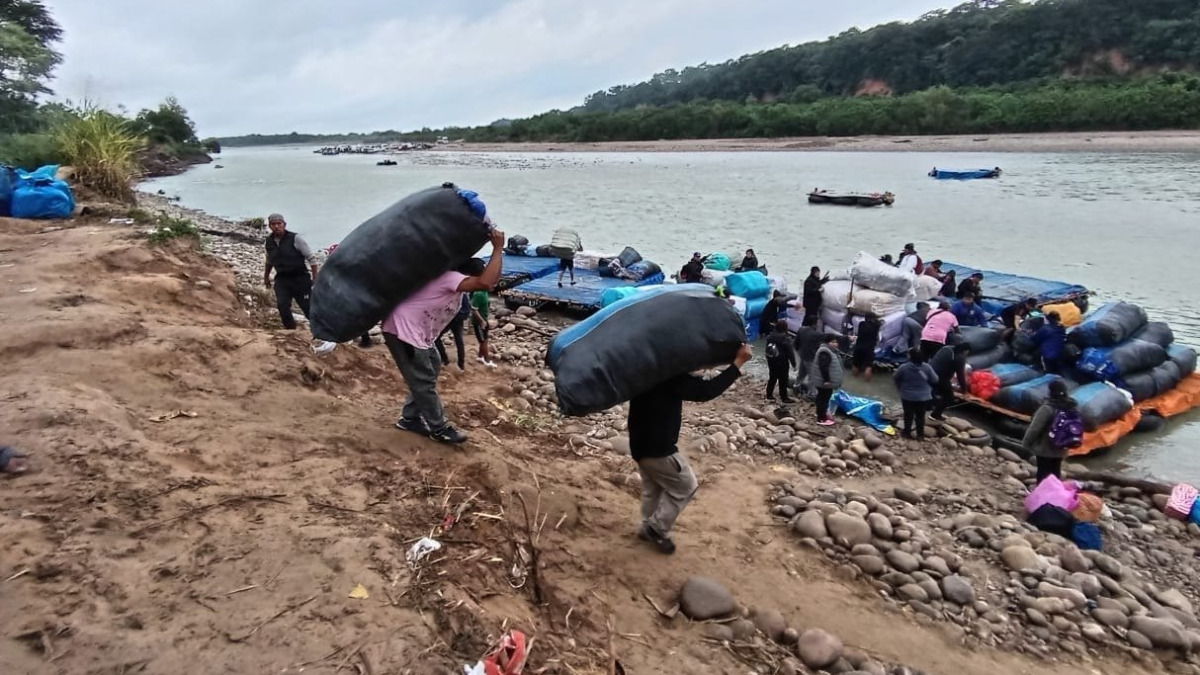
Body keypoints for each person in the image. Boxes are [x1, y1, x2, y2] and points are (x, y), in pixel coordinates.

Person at [384, 228, 505, 445]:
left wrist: (499, 256)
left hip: (419, 336)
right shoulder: (450, 279)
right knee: (423, 382)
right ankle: (439, 428)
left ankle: (409, 418)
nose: (491, 284)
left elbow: (491, 281)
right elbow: (485, 283)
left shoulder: (458, 292)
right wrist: (497, 248)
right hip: (402, 330)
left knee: (434, 365)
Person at [629, 343, 752, 554]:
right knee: (686, 486)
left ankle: (646, 527)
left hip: (640, 444)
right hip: (659, 449)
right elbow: (705, 391)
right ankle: (656, 529)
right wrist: (737, 363)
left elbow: (691, 384)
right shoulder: (670, 376)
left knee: (654, 490)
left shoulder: (648, 369)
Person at [263, 213, 320, 330]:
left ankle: (324, 332)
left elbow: (312, 259)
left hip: (300, 278)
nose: (277, 226)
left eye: (279, 223)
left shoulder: (295, 238)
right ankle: (290, 331)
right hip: (282, 279)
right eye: (273, 224)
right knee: (282, 306)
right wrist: (266, 277)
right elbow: (269, 261)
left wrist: (315, 278)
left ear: (284, 224)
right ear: (269, 226)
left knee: (308, 308)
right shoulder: (269, 241)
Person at [1023, 379, 1081, 482]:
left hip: (1045, 448)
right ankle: (1054, 493)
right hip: (1061, 447)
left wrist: (1026, 443)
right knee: (1055, 472)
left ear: (1050, 392)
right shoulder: (1072, 407)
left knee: (1043, 472)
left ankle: (1041, 494)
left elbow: (1035, 428)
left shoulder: (1047, 408)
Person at [893, 349, 938, 439]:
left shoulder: (903, 367)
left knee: (908, 415)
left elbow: (895, 377)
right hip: (924, 397)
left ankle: (907, 433)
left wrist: (900, 388)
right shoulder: (927, 367)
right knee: (920, 416)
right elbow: (935, 380)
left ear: (910, 357)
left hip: (907, 396)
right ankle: (920, 435)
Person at [930, 340, 970, 420]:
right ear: (966, 351)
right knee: (949, 397)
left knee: (932, 393)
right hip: (941, 377)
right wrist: (964, 391)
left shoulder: (946, 348)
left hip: (930, 371)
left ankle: (923, 409)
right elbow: (960, 376)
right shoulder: (959, 357)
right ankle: (935, 415)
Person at [810, 334, 844, 426]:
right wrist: (827, 380)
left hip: (822, 381)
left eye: (836, 342)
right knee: (824, 399)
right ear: (827, 342)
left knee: (822, 397)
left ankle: (820, 413)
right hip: (824, 382)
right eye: (832, 342)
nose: (835, 344)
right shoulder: (825, 352)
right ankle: (821, 419)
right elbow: (823, 367)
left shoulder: (830, 351)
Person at [435, 294, 471, 371]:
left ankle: (444, 360)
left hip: (450, 319)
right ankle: (461, 364)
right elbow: (467, 310)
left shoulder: (450, 294)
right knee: (459, 340)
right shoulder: (462, 294)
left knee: (437, 338)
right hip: (457, 320)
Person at [765, 320, 795, 403]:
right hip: (782, 361)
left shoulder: (770, 336)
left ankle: (769, 394)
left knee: (772, 377)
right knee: (783, 379)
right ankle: (784, 397)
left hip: (771, 360)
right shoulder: (785, 338)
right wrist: (794, 364)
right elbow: (790, 352)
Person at [793, 315, 823, 397]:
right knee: (812, 377)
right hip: (810, 359)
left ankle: (796, 387)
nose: (818, 325)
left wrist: (799, 352)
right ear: (814, 324)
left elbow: (795, 343)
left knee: (801, 373)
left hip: (803, 356)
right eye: (818, 323)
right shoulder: (816, 334)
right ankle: (812, 395)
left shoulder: (802, 329)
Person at [852, 313, 882, 381]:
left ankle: (855, 379)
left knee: (856, 364)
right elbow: (881, 323)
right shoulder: (876, 326)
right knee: (868, 366)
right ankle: (867, 382)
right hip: (869, 349)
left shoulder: (861, 324)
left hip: (858, 347)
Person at [470, 290, 495, 367]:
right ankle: (487, 361)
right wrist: (481, 321)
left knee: (485, 339)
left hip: (484, 319)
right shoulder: (479, 294)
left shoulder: (485, 292)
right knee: (483, 341)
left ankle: (480, 357)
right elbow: (474, 310)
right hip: (479, 322)